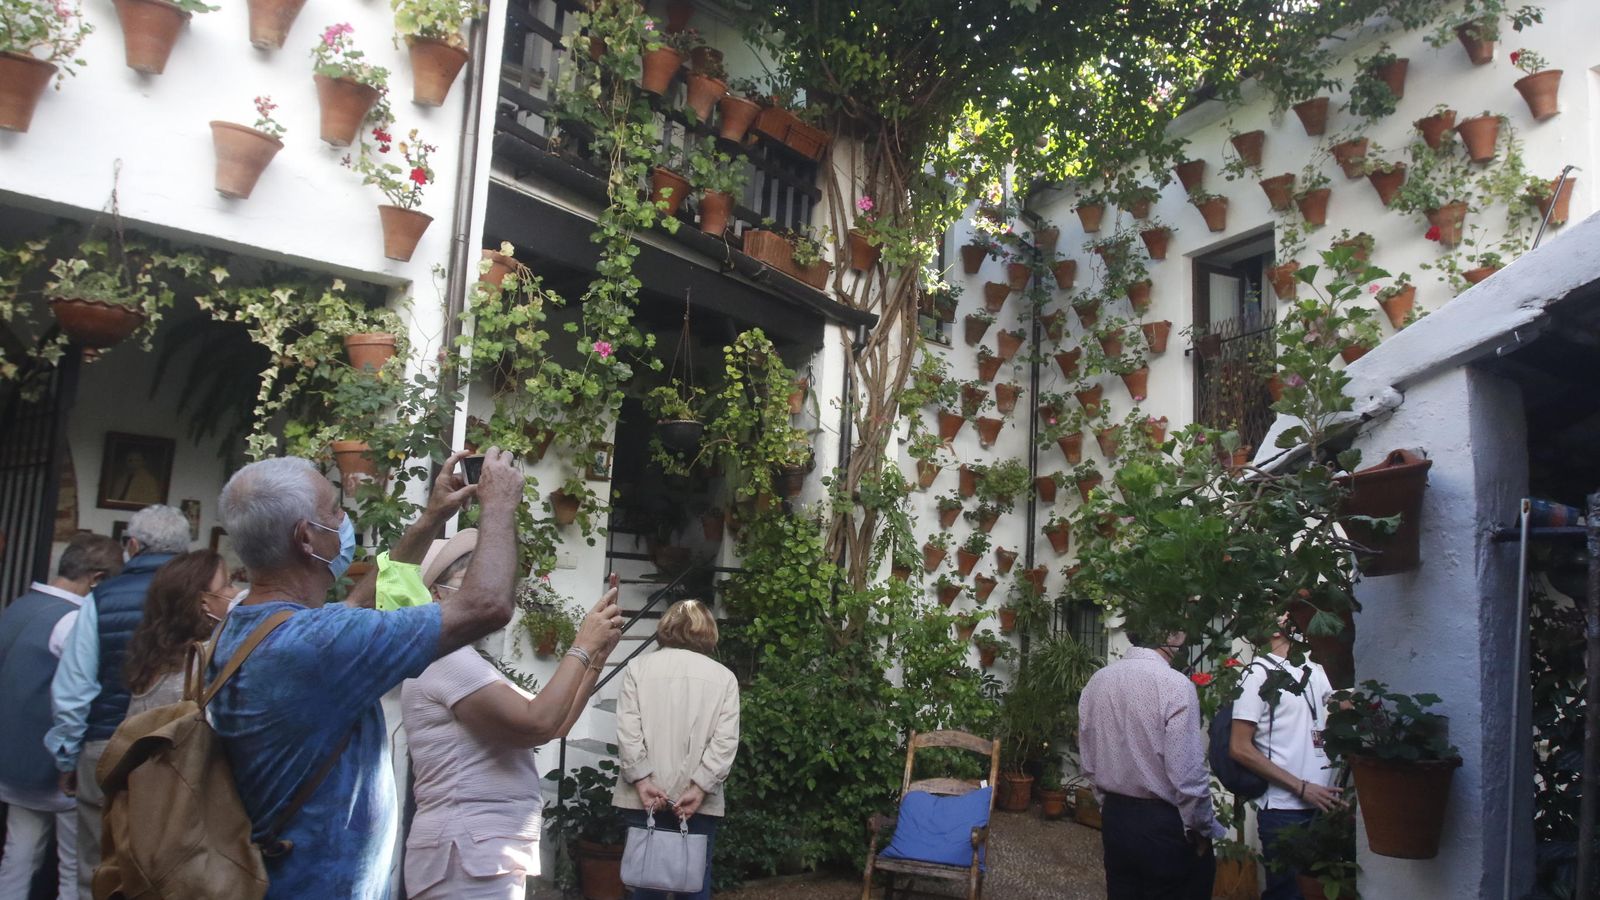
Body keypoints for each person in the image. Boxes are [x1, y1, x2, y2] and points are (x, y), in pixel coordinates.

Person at [202, 448, 568, 899]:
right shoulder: (317, 643)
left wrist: (431, 517)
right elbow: (486, 605)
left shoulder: (247, 626)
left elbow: (358, 601)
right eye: (334, 511)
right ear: (305, 538)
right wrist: (500, 505)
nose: (343, 518)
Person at [401, 530, 622, 899]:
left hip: (478, 851)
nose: (490, 592)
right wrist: (582, 644)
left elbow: (555, 724)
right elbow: (536, 721)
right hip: (465, 851)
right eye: (470, 580)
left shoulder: (466, 660)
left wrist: (596, 659)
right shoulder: (446, 659)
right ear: (436, 592)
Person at [46, 504, 191, 898]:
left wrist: (66, 755)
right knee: (161, 865)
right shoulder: (201, 597)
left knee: (95, 863)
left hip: (106, 746)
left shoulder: (102, 598)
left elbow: (75, 688)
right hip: (174, 747)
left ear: (132, 545)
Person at [0, 533, 121, 900]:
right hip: (55, 766)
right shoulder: (72, 621)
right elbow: (76, 695)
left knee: (19, 853)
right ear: (97, 579)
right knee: (75, 863)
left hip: (12, 758)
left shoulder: (19, 605)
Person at [611, 600, 741, 900]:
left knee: (645, 885)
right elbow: (725, 742)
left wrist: (642, 781)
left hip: (643, 798)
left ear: (666, 626)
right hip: (697, 801)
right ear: (709, 632)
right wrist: (700, 787)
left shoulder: (637, 668)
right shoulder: (724, 679)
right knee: (693, 885)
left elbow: (628, 732)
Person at [1079, 631, 1223, 900]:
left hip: (1116, 818)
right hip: (1164, 825)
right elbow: (1187, 775)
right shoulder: (1175, 685)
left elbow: (1089, 761)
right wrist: (1201, 828)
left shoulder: (1098, 681)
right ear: (1171, 636)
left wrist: (1109, 806)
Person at [1229, 624, 1341, 900]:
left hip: (1325, 806)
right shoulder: (1257, 674)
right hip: (1284, 811)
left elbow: (1338, 707)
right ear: (1275, 629)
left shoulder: (1314, 670)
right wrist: (1302, 788)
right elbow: (1239, 747)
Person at [121, 549, 235, 719]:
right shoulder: (207, 658)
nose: (236, 590)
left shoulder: (157, 653)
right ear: (204, 602)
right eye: (228, 584)